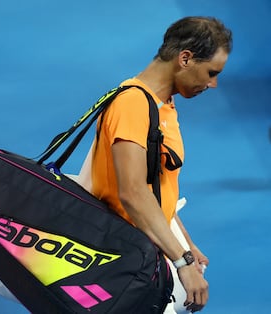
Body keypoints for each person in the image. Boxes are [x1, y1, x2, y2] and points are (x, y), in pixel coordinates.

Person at [87, 16, 232, 313]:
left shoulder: (163, 103)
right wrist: (182, 262)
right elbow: (132, 192)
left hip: (145, 251)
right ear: (186, 58)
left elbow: (155, 187)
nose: (213, 84)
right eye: (212, 72)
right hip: (120, 262)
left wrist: (185, 242)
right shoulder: (133, 104)